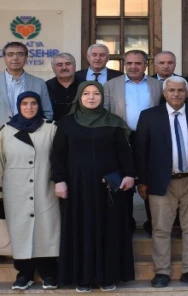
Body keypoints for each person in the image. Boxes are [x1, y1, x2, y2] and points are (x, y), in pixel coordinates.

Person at [51, 81, 136, 292]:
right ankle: (84, 278)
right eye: (86, 93)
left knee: (109, 229)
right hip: (77, 187)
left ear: (102, 97)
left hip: (109, 187)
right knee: (81, 229)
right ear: (79, 97)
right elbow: (58, 154)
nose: (91, 97)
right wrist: (59, 180)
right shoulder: (67, 123)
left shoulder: (114, 122)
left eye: (96, 93)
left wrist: (129, 175)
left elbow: (125, 152)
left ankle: (108, 276)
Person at [135, 76, 188, 288]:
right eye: (171, 90)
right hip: (161, 182)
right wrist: (142, 181)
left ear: (187, 93)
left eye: (180, 90)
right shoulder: (149, 116)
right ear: (164, 93)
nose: (176, 94)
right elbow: (141, 150)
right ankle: (162, 272)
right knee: (160, 228)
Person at [0, 92, 60, 290]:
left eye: (33, 103)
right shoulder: (6, 131)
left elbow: (58, 159)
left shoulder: (51, 128)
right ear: (18, 106)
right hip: (15, 190)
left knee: (45, 231)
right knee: (20, 231)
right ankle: (24, 274)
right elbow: (0, 162)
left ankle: (48, 273)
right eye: (24, 104)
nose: (29, 107)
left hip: (44, 188)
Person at [103, 49, 162, 233]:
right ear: (124, 65)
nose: (133, 66)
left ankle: (153, 224)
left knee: (149, 180)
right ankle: (125, 224)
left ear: (146, 65)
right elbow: (105, 112)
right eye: (129, 63)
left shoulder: (157, 85)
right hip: (122, 139)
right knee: (124, 181)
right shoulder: (111, 85)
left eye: (138, 63)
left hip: (151, 140)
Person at [0, 41, 53, 137]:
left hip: (32, 138)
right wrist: (1, 133)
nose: (15, 58)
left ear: (26, 57)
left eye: (20, 54)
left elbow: (47, 113)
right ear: (4, 58)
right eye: (10, 54)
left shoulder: (39, 83)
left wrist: (35, 132)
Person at [46, 52, 82, 122]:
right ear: (53, 68)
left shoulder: (85, 86)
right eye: (59, 65)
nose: (64, 67)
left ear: (74, 66)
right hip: (54, 129)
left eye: (68, 64)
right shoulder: (46, 87)